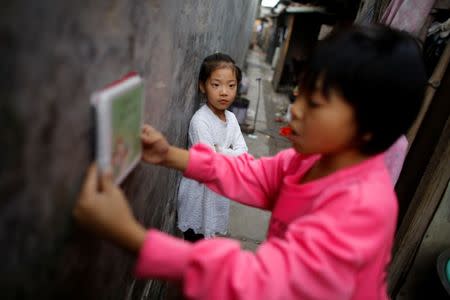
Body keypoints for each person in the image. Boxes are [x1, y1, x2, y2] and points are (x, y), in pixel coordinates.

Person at [74, 25, 427, 300]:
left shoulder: (362, 209)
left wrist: (133, 237)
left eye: (315, 103)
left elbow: (257, 282)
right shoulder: (312, 160)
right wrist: (169, 154)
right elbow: (254, 173)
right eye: (298, 94)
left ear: (368, 126)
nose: (295, 110)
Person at [178, 53, 247, 241]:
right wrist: (225, 155)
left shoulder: (232, 119)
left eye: (231, 86)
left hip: (217, 193)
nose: (224, 92)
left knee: (207, 245)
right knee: (193, 242)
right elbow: (209, 163)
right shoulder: (200, 121)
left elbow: (244, 153)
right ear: (203, 86)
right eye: (216, 85)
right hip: (198, 194)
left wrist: (221, 151)